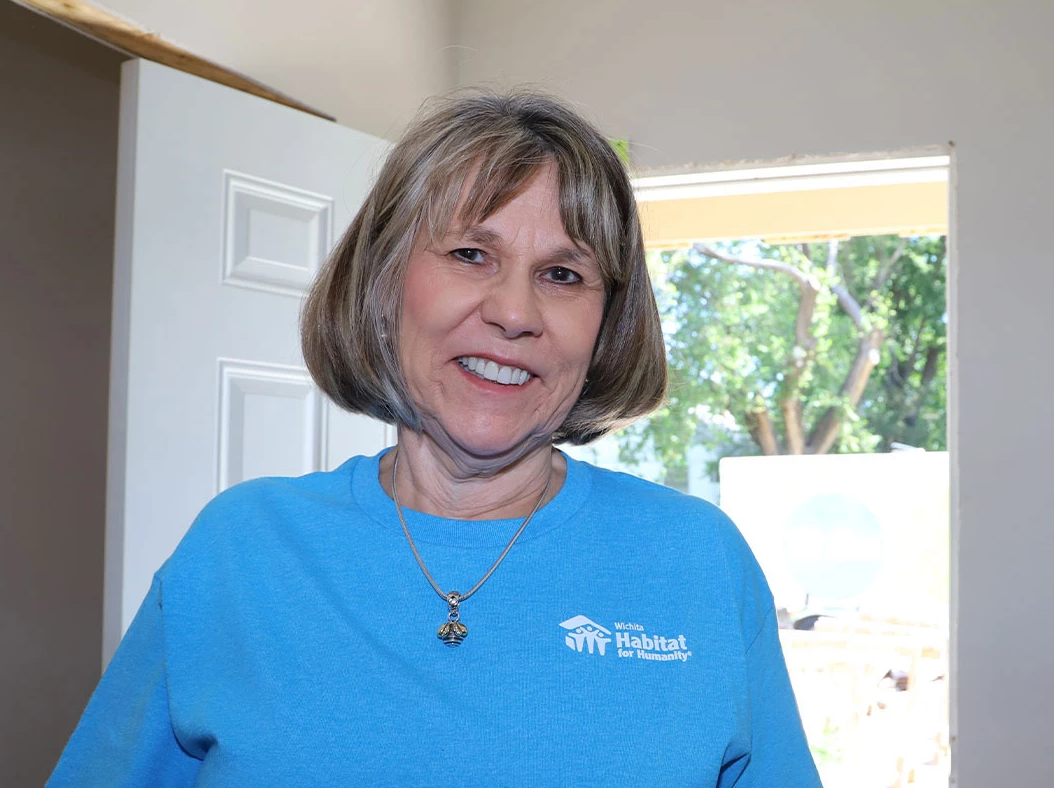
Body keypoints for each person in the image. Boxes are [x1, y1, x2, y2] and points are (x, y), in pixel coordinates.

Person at [48, 89, 821, 786]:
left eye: (563, 274)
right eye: (470, 254)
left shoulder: (697, 562)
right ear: (384, 285)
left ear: (605, 323)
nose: (515, 312)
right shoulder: (238, 550)